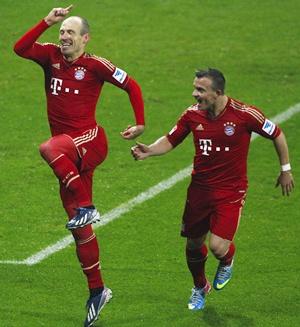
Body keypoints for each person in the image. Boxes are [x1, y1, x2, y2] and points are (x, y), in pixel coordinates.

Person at [14, 5, 145, 326]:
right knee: (80, 230)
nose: (63, 37)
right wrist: (47, 20)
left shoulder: (95, 65)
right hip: (67, 159)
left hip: (89, 141)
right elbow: (20, 48)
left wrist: (140, 123)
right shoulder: (49, 57)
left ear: (85, 38)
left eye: (70, 32)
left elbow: (132, 85)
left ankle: (87, 204)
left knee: (49, 146)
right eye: (61, 32)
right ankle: (97, 291)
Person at [131, 68, 294, 311]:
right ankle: (199, 286)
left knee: (218, 247)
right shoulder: (191, 115)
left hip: (231, 191)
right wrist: (150, 150)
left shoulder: (245, 115)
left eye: (200, 90)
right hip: (199, 191)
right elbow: (171, 139)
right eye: (195, 88)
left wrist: (286, 170)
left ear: (217, 93)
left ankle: (227, 259)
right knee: (194, 245)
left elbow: (277, 134)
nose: (194, 94)